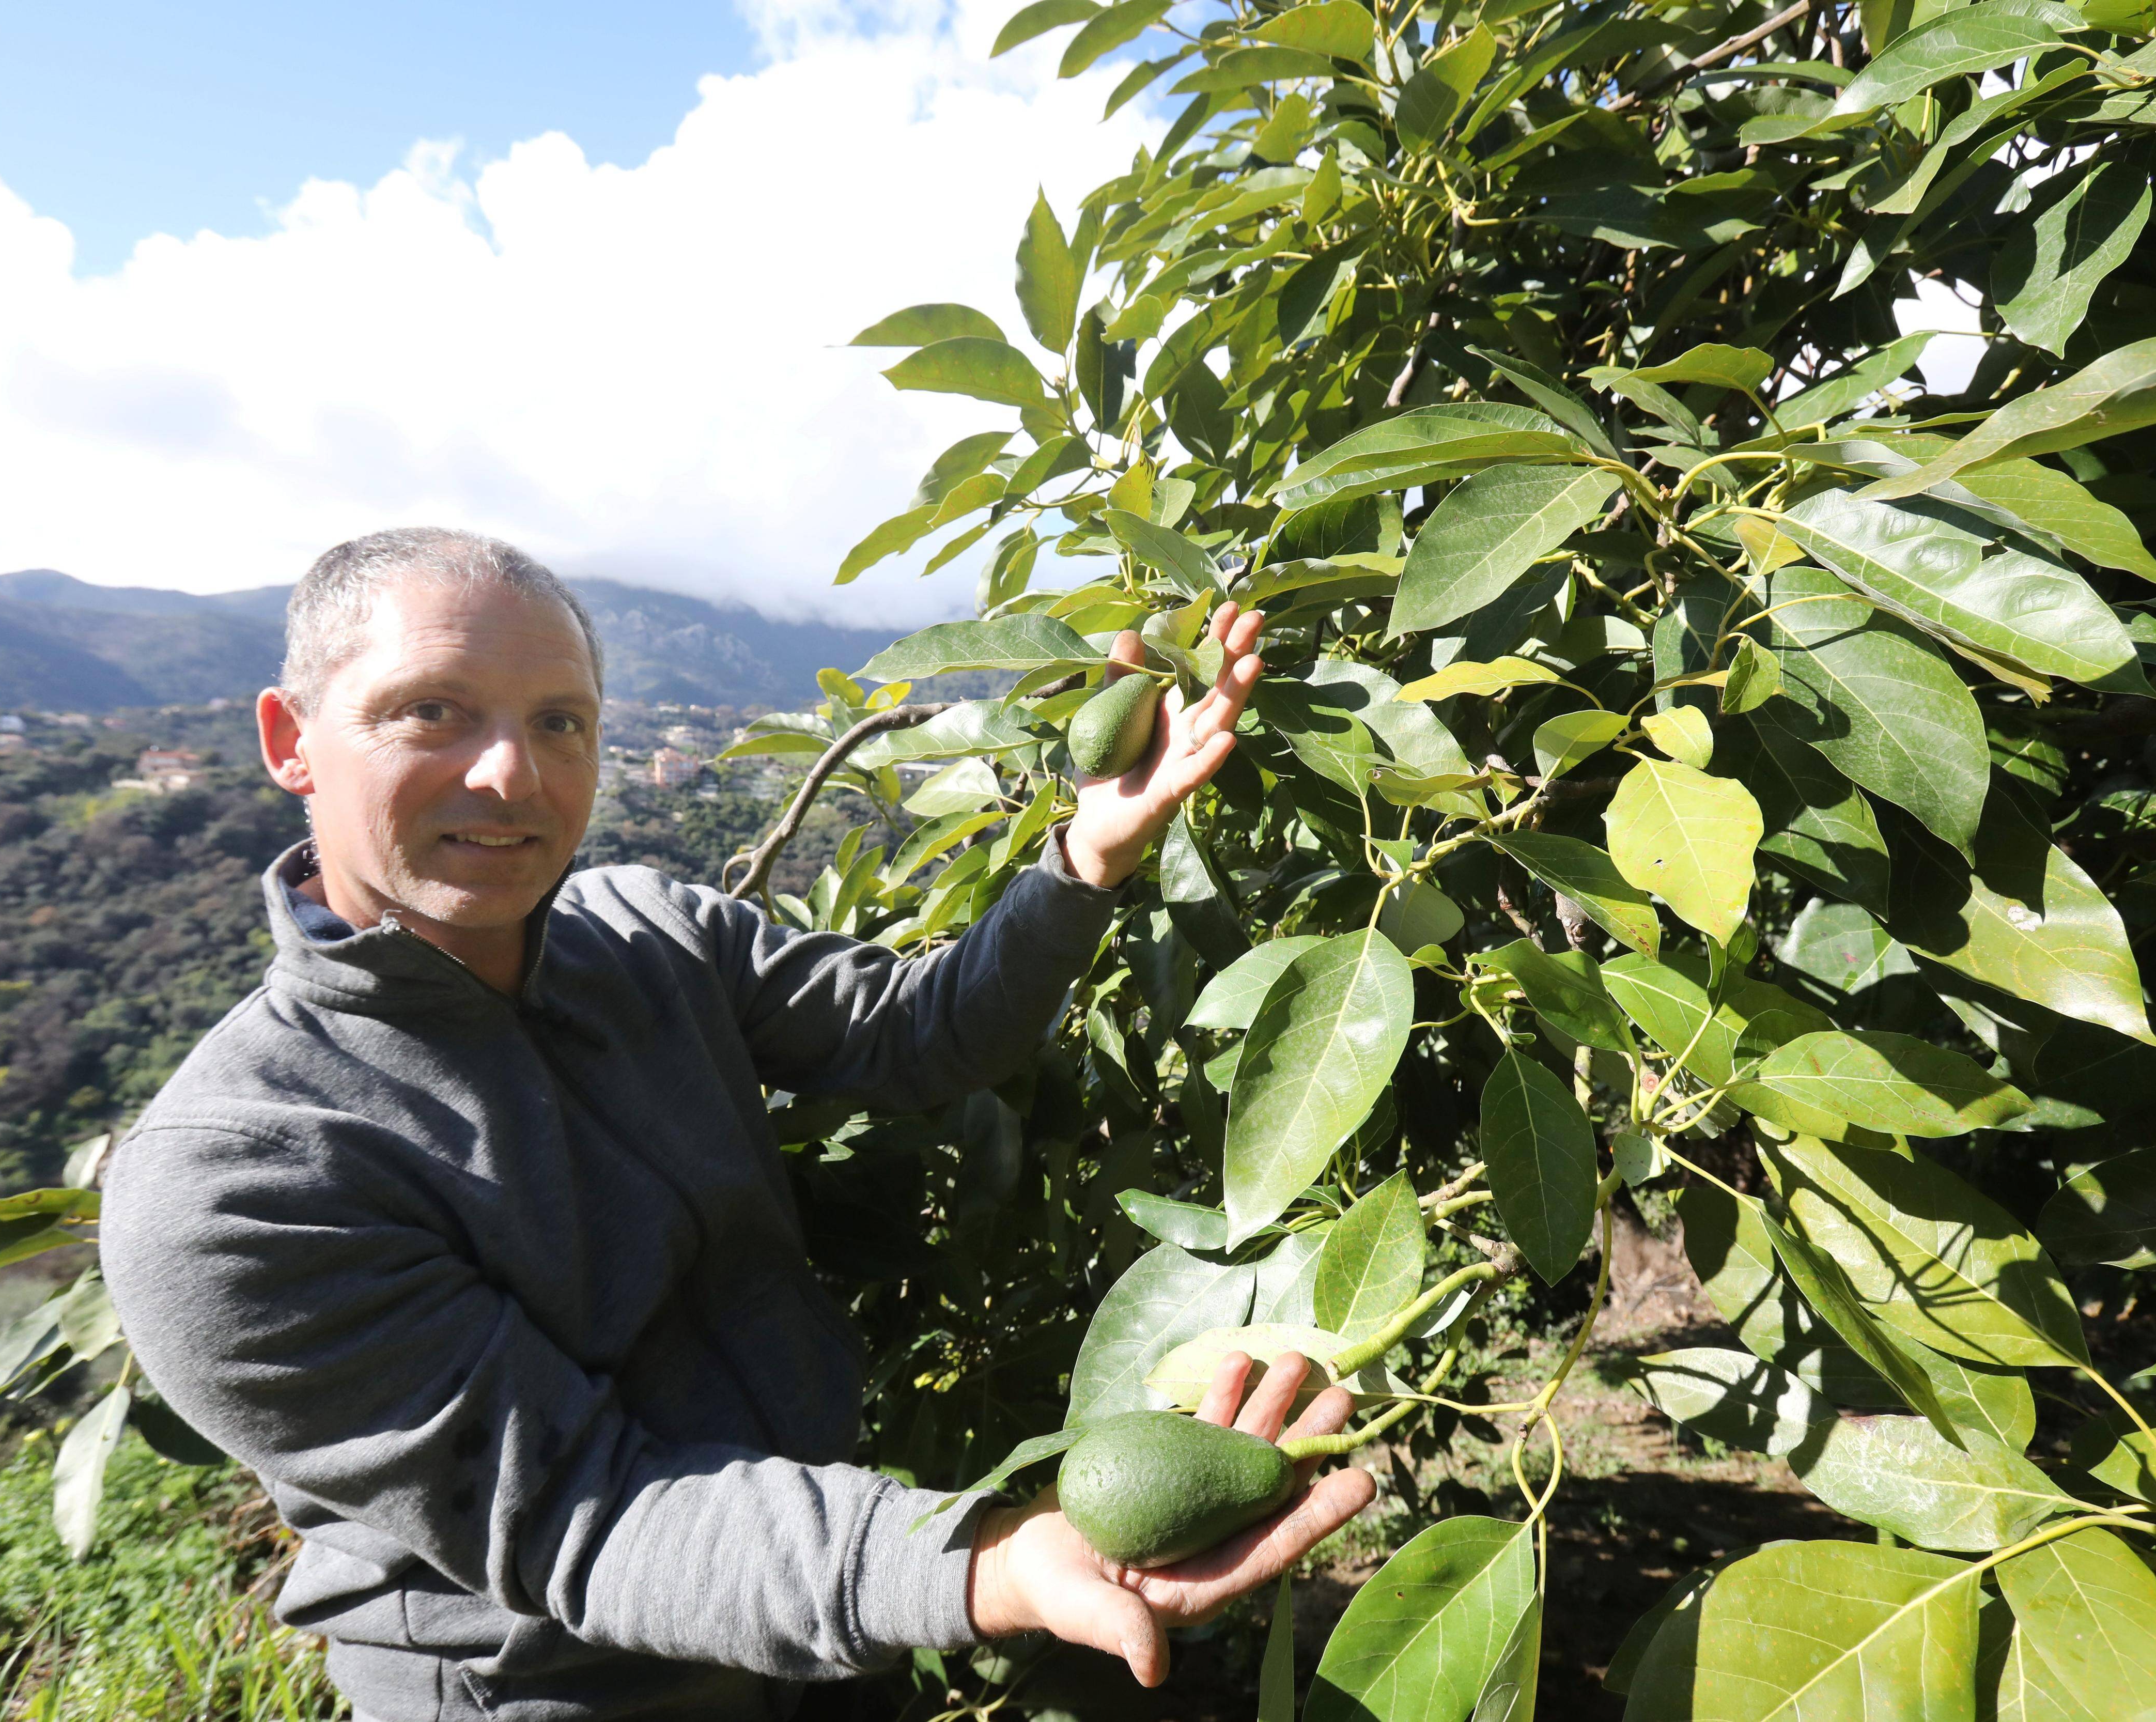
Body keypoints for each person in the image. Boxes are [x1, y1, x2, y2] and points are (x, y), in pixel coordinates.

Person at [100, 528, 1375, 1722]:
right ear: (291, 739)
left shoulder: (650, 935)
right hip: (551, 1689)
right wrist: (982, 1563)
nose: (511, 774)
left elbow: (922, 1034)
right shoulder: (233, 1179)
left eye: (560, 721)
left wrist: (1083, 858)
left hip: (830, 1610)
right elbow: (590, 1513)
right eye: (430, 710)